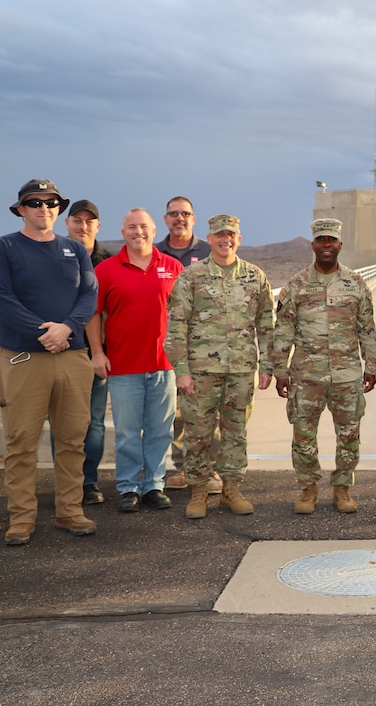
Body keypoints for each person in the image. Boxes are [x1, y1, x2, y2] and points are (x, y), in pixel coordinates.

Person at [0, 179, 98, 545]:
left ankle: (71, 511)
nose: (44, 208)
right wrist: (43, 332)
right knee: (20, 441)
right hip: (24, 359)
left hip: (72, 357)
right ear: (21, 209)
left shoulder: (75, 250)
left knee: (71, 439)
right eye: (35, 202)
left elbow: (89, 295)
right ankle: (21, 519)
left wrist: (66, 328)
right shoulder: (4, 248)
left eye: (51, 202)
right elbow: (2, 299)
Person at [165, 214, 275, 519]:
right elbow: (176, 326)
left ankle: (231, 490)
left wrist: (267, 366)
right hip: (200, 372)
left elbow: (266, 325)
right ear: (209, 239)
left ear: (239, 239)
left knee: (235, 432)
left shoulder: (255, 277)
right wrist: (181, 369)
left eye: (231, 235)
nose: (225, 240)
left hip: (240, 371)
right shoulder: (191, 277)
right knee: (198, 433)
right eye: (219, 235)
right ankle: (199, 490)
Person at [272, 218, 376, 515]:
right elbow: (283, 331)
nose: (327, 245)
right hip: (307, 375)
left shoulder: (355, 283)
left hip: (346, 375)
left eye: (331, 240)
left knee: (349, 434)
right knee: (303, 434)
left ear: (340, 245)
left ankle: (343, 488)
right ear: (313, 245)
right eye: (321, 240)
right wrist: (280, 370)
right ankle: (308, 488)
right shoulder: (296, 285)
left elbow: (367, 328)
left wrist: (372, 365)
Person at [87, 209, 183, 513]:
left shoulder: (172, 266)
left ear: (154, 230)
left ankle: (154, 485)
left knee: (160, 430)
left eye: (143, 226)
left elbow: (185, 315)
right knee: (128, 433)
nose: (137, 232)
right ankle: (128, 487)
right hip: (123, 367)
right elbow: (93, 314)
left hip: (164, 366)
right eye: (131, 227)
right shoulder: (106, 270)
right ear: (123, 231)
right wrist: (98, 353)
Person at [155, 195, 219, 493]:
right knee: (178, 415)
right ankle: (182, 469)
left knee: (208, 413)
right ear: (165, 219)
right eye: (173, 214)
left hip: (205, 348)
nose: (179, 218)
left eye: (185, 214)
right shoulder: (154, 253)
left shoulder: (209, 252)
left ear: (193, 219)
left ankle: (211, 470)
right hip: (164, 348)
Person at [63, 199, 113, 505]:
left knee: (93, 422)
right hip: (61, 352)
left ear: (97, 226)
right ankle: (66, 482)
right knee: (64, 423)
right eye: (76, 221)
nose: (83, 226)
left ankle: (89, 481)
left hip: (97, 354)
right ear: (66, 223)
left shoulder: (108, 262)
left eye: (88, 221)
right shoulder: (53, 255)